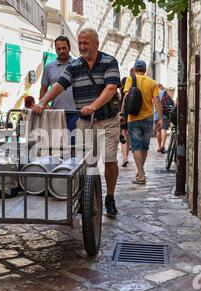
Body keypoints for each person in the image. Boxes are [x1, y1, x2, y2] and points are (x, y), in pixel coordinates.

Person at [33, 28, 121, 217]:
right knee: (85, 162)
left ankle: (110, 197)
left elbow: (111, 88)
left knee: (110, 159)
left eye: (86, 43)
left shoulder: (109, 61)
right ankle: (88, 196)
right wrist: (42, 101)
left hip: (107, 120)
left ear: (96, 44)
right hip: (85, 122)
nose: (82, 47)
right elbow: (58, 85)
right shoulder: (74, 66)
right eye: (80, 43)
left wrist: (93, 106)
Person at [121, 60, 163, 184]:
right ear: (145, 70)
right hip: (149, 117)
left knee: (136, 146)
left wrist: (122, 114)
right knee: (144, 146)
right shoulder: (153, 82)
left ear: (135, 69)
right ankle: (140, 171)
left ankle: (141, 174)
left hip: (134, 118)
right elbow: (156, 101)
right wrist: (160, 118)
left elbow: (126, 97)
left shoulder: (130, 79)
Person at [40, 36, 78, 136]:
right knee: (57, 145)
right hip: (56, 112)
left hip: (75, 112)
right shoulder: (48, 67)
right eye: (58, 48)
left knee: (73, 144)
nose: (61, 51)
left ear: (69, 48)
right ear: (55, 49)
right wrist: (45, 105)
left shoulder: (77, 65)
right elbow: (43, 88)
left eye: (64, 48)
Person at [119, 77, 130, 167]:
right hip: (131, 115)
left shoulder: (121, 93)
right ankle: (127, 156)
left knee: (123, 136)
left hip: (123, 115)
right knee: (128, 137)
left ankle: (125, 157)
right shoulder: (131, 92)